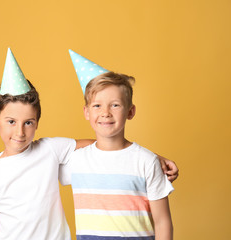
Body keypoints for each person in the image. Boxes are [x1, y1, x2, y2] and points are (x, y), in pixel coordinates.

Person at [0, 48, 93, 240]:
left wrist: (151, 159)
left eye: (28, 123)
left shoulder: (50, 149)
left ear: (37, 122)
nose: (20, 132)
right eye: (11, 121)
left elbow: (100, 145)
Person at [59, 50, 174, 239]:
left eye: (115, 105)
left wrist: (155, 159)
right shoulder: (76, 160)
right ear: (86, 112)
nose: (105, 112)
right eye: (97, 105)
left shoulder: (147, 162)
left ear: (130, 111)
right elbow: (33, 157)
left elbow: (163, 222)